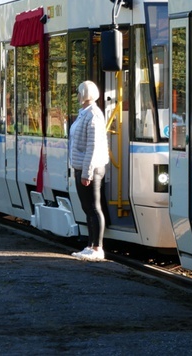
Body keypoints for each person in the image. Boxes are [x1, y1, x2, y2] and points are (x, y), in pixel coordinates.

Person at [69, 81, 110, 261]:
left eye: (79, 92)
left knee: (93, 207)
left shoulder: (93, 115)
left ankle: (97, 248)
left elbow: (92, 147)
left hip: (90, 168)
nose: (77, 95)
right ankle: (90, 245)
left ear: (85, 94)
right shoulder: (85, 113)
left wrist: (87, 172)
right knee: (88, 208)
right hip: (82, 166)